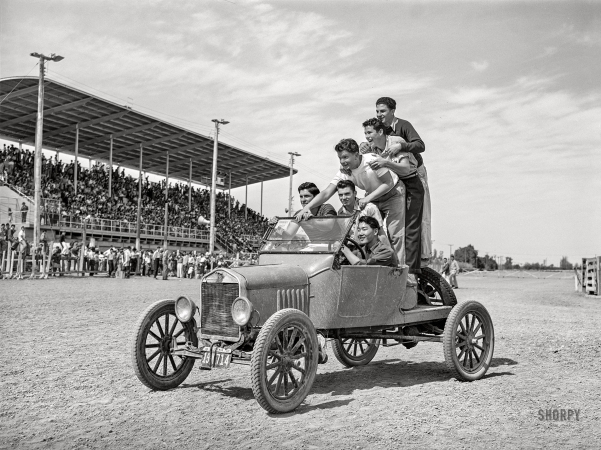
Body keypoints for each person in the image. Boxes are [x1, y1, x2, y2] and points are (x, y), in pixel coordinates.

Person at [296, 138, 418, 285]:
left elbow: (388, 183)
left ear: (356, 154)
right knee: (365, 232)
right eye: (340, 158)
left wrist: (367, 200)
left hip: (392, 193)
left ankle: (399, 277)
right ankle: (368, 271)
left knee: (394, 234)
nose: (342, 161)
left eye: (346, 157)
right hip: (372, 196)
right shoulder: (344, 172)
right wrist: (306, 208)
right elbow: (326, 193)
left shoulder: (371, 161)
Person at [362, 118, 424, 276]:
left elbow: (404, 169)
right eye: (365, 133)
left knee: (407, 230)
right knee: (377, 228)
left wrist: (385, 163)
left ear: (380, 132)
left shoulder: (396, 142)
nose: (367, 136)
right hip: (392, 188)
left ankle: (408, 273)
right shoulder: (372, 148)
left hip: (410, 183)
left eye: (369, 133)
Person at [375, 96, 432, 264]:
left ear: (393, 111)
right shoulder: (379, 129)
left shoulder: (403, 126)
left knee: (418, 218)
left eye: (383, 111)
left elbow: (420, 145)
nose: (379, 114)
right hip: (394, 175)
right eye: (377, 111)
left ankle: (420, 259)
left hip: (414, 173)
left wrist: (402, 146)